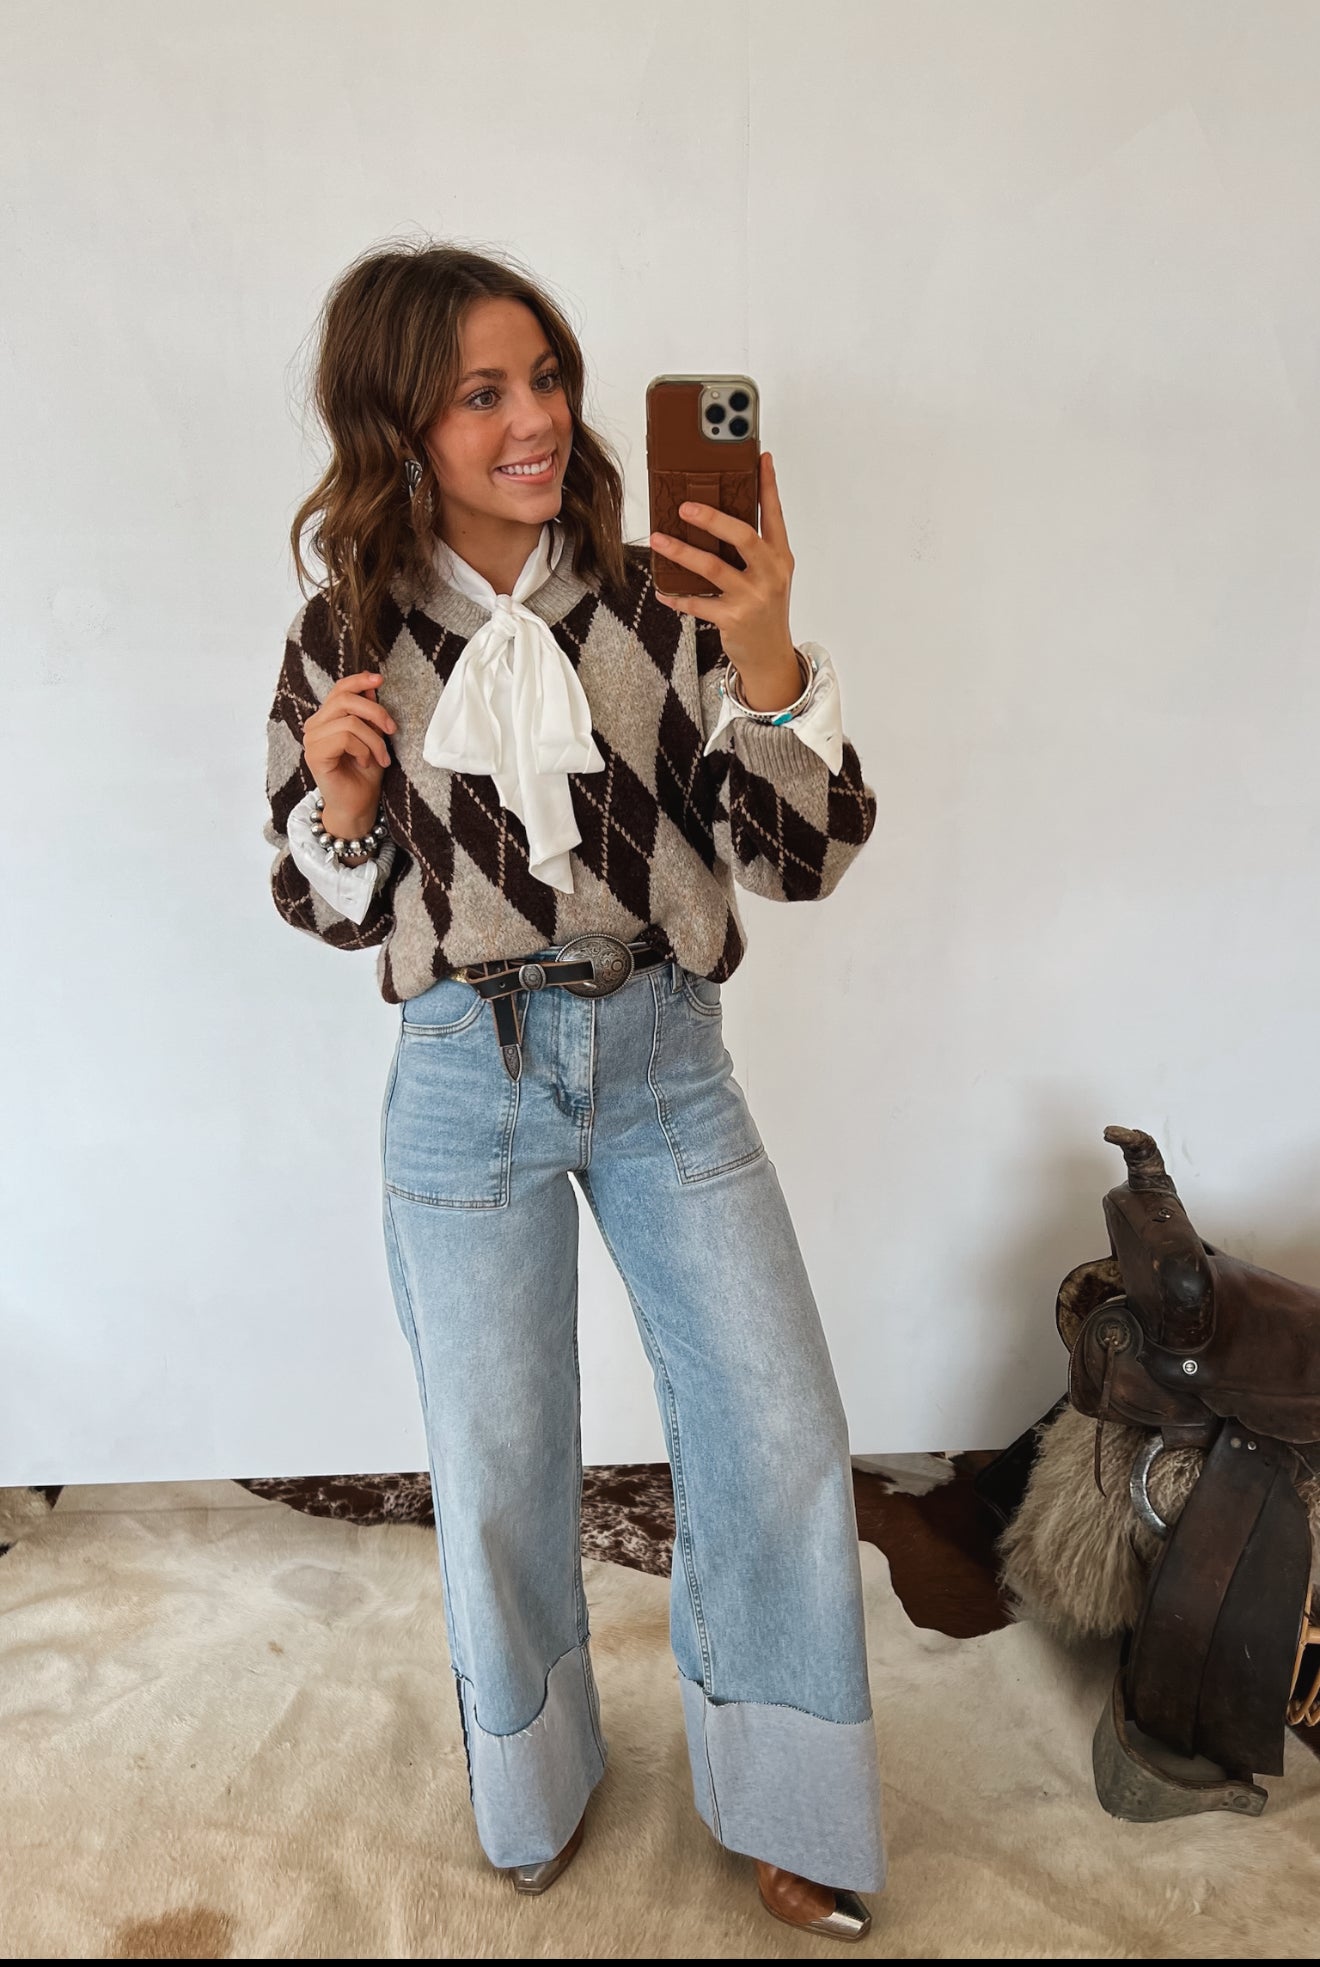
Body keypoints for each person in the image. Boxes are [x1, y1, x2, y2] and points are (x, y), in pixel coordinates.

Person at [263, 241, 883, 1941]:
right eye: (482, 394)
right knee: (500, 1459)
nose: (535, 417)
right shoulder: (348, 630)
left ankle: (790, 1793)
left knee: (776, 1428)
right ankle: (533, 1782)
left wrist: (768, 652)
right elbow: (329, 905)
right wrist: (340, 810)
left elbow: (797, 858)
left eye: (544, 377)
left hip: (667, 1058)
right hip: (464, 1079)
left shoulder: (662, 590)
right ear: (399, 425)